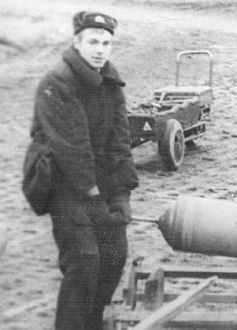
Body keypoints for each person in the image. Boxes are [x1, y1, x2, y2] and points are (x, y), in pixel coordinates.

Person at [25, 11, 139, 330]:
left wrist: (122, 195)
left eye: (106, 43)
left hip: (97, 184)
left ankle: (90, 321)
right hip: (61, 182)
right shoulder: (58, 82)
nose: (100, 49)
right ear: (77, 42)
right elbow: (72, 150)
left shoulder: (111, 84)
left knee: (114, 254)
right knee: (84, 260)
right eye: (93, 42)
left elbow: (120, 141)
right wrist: (96, 201)